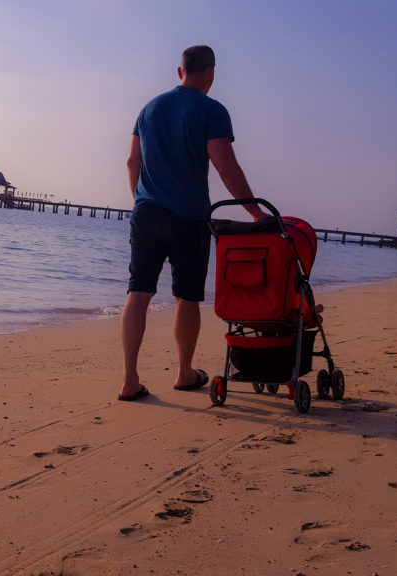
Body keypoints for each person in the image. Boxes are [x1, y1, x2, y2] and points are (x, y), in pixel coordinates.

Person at [119, 45, 264, 402]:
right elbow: (225, 165)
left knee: (138, 293)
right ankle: (184, 373)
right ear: (211, 72)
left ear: (179, 71)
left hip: (146, 212)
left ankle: (130, 380)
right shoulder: (212, 110)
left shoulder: (149, 108)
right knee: (186, 298)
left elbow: (131, 162)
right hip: (189, 217)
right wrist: (256, 213)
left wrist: (140, 200)